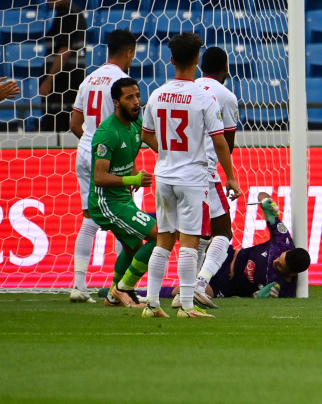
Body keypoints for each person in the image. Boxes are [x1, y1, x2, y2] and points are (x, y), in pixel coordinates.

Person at [140, 32, 242, 319]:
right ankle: (186, 306)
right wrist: (231, 177)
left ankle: (151, 304)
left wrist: (168, 153)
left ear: (171, 59)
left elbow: (146, 133)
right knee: (189, 242)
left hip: (164, 176)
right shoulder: (203, 97)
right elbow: (220, 142)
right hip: (193, 178)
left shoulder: (157, 94)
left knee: (163, 240)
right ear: (197, 60)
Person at [66, 28, 136, 303]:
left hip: (84, 152)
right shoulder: (124, 84)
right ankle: (121, 286)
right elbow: (125, 128)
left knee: (90, 218)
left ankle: (79, 286)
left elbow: (74, 124)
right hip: (110, 158)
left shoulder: (90, 79)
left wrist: (91, 146)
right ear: (129, 52)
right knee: (125, 219)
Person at [86, 77, 158, 309]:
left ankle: (111, 297)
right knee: (158, 236)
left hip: (122, 198)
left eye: (137, 95)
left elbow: (129, 154)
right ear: (116, 102)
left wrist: (134, 170)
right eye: (129, 98)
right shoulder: (107, 133)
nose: (136, 101)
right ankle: (123, 289)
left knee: (132, 247)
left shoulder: (136, 125)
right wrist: (132, 178)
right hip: (106, 202)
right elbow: (99, 177)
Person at [164, 193, 311, 302]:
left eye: (279, 265)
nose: (275, 261)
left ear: (291, 274)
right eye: (279, 258)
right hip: (227, 255)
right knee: (196, 236)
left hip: (225, 284)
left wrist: (261, 297)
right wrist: (266, 202)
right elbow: (263, 198)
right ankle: (158, 227)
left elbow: (261, 298)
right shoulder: (282, 242)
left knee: (183, 292)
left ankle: (145, 294)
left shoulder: (282, 286)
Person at [188, 47, 239, 310]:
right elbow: (226, 144)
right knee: (223, 233)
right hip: (205, 173)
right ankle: (199, 283)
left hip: (174, 171)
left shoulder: (187, 89)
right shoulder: (225, 96)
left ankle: (185, 290)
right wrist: (230, 176)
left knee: (193, 236)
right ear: (225, 68)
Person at [39, 0, 86, 133]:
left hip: (63, 84)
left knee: (56, 130)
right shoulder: (72, 12)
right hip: (68, 83)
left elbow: (65, 51)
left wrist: (48, 80)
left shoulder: (67, 12)